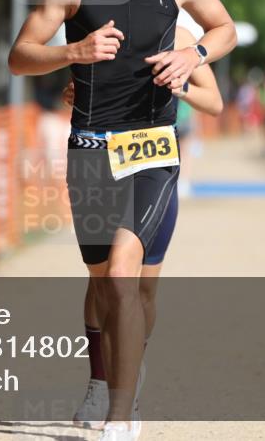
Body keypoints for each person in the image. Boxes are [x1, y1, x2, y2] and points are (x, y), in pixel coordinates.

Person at [8, 0, 236, 440]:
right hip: (90, 148)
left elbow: (225, 28)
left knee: (129, 278)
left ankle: (121, 413)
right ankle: (101, 378)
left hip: (152, 147)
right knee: (102, 280)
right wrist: (74, 53)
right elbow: (19, 56)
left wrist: (195, 56)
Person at [62, 24, 224, 432]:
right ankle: (102, 383)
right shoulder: (105, 30)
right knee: (103, 282)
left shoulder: (180, 35)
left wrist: (179, 85)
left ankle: (128, 380)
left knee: (142, 286)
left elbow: (215, 102)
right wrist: (74, 91)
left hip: (152, 162)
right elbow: (82, 84)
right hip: (99, 161)